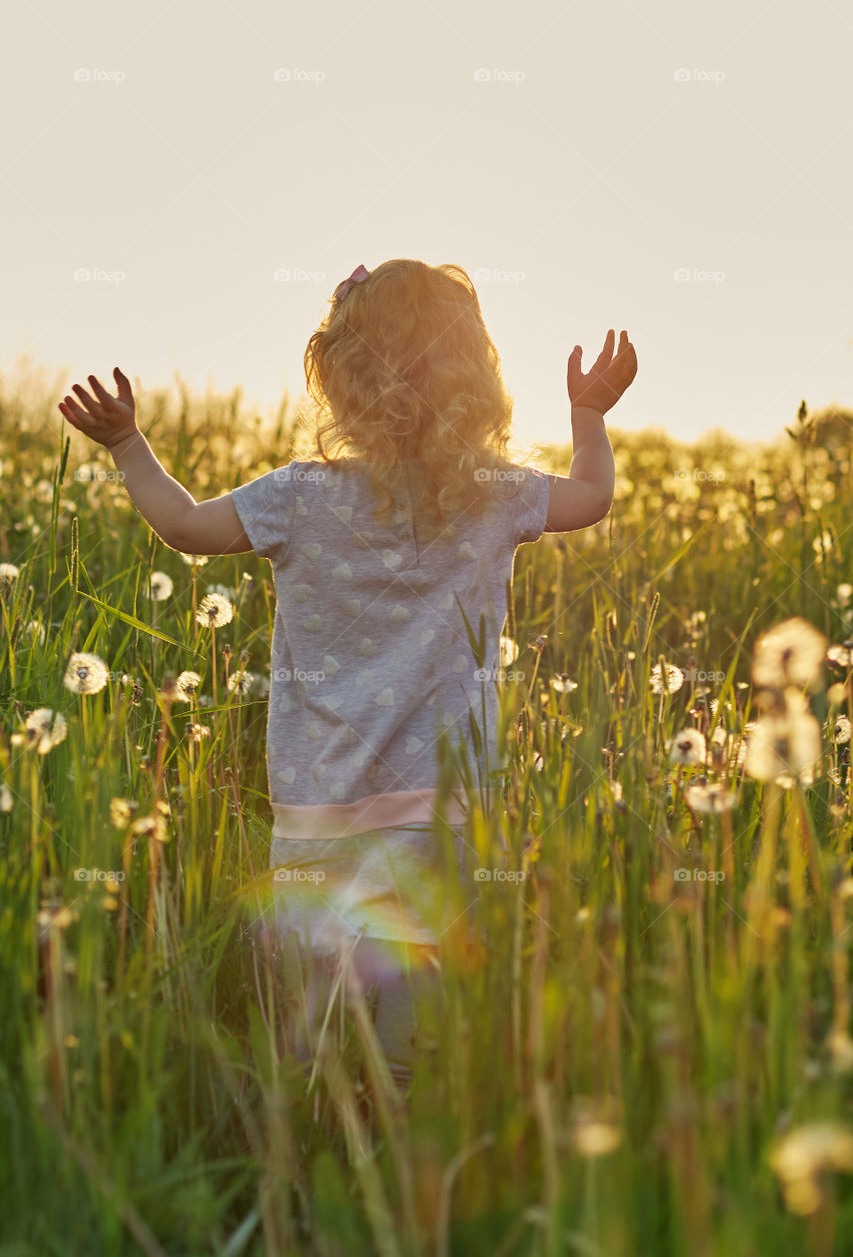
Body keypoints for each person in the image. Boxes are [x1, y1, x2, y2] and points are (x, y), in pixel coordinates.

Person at [58, 258, 637, 1089]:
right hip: (440, 810)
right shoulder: (494, 494)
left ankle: (315, 1147)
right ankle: (402, 1154)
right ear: (474, 375)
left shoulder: (296, 497)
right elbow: (591, 497)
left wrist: (126, 443)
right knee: (412, 1023)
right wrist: (588, 414)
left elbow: (182, 526)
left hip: (316, 804)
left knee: (313, 1027)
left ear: (338, 382)